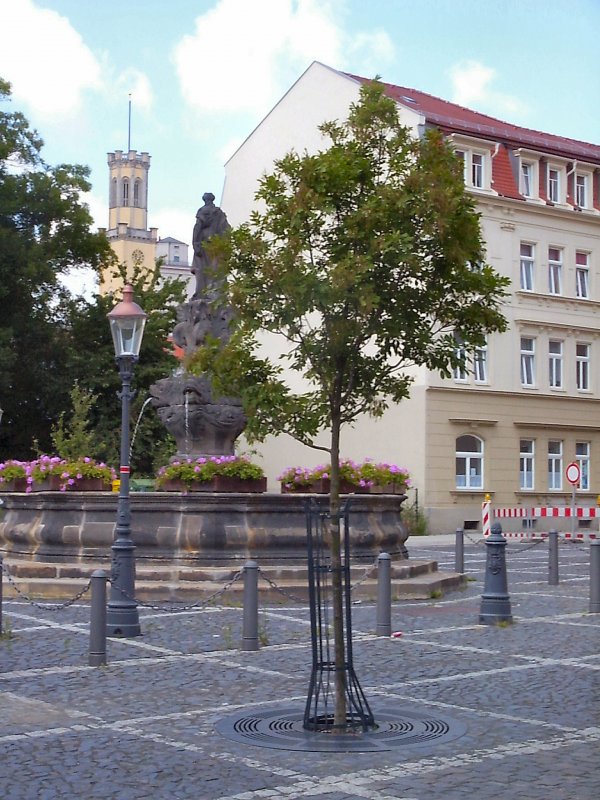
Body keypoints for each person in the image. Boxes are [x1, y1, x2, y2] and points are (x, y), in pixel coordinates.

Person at [191, 192, 230, 298]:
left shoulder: (203, 211)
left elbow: (197, 227)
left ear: (204, 200)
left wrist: (195, 243)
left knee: (202, 269)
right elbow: (227, 229)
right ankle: (215, 292)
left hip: (204, 244)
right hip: (217, 244)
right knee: (215, 268)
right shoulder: (219, 213)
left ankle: (202, 292)